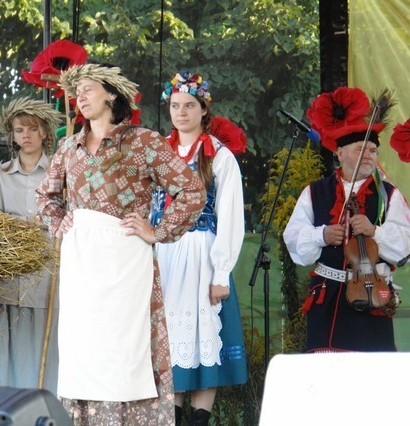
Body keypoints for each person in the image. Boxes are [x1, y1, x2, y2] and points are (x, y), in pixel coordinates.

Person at [35, 63, 206, 425]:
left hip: (126, 261)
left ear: (111, 94)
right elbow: (45, 197)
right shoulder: (68, 146)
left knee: (123, 350)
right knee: (84, 350)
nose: (80, 97)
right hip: (82, 265)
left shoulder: (143, 142)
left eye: (88, 89)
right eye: (76, 92)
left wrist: (157, 230)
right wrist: (59, 220)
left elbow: (192, 191)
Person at [150, 71, 248, 425]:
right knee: (172, 340)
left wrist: (221, 273)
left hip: (202, 254)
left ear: (204, 110)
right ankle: (173, 416)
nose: (181, 112)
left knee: (202, 336)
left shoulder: (219, 156)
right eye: (175, 105)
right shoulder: (158, 152)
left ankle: (199, 420)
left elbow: (231, 216)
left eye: (189, 105)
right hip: (164, 254)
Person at [283, 86, 410, 352]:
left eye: (373, 151)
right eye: (361, 149)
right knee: (326, 369)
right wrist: (321, 235)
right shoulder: (315, 191)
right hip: (327, 298)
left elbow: (405, 247)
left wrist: (375, 231)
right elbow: (293, 238)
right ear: (340, 154)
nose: (369, 156)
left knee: (370, 369)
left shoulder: (389, 194)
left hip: (372, 296)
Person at [0, 97, 62, 394]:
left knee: (42, 342)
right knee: (4, 342)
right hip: (7, 278)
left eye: (33, 129)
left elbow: (69, 217)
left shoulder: (59, 174)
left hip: (47, 276)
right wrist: (28, 224)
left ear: (45, 133)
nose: (26, 135)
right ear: (12, 135)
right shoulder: (0, 176)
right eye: (20, 130)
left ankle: (43, 405)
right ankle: (1, 404)